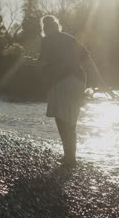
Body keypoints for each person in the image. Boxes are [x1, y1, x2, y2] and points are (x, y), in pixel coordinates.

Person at [38, 15, 91, 167]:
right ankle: (70, 157)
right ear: (57, 25)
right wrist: (98, 81)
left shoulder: (47, 39)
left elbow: (43, 62)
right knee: (72, 120)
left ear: (45, 27)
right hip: (79, 81)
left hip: (61, 81)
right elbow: (87, 58)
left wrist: (25, 60)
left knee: (61, 119)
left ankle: (69, 157)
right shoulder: (70, 38)